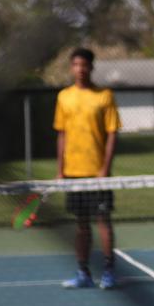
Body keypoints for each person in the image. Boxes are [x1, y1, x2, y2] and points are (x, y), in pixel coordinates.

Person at [54, 46, 121, 289]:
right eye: (75, 65)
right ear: (71, 68)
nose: (80, 69)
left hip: (97, 174)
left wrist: (105, 168)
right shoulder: (63, 97)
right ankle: (83, 273)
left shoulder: (104, 96)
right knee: (81, 225)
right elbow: (61, 134)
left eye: (84, 65)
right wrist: (60, 170)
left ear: (91, 67)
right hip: (73, 173)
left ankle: (109, 271)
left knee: (103, 221)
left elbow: (112, 133)